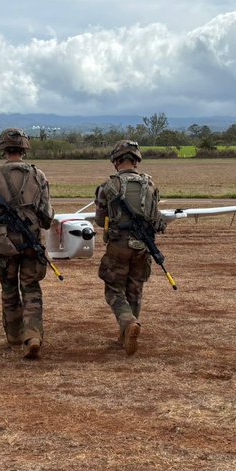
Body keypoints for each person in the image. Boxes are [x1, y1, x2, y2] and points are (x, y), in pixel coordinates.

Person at [0, 128, 54, 359]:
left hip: (4, 244)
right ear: (24, 148)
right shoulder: (38, 175)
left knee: (9, 288)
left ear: (3, 149)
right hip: (31, 243)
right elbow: (46, 215)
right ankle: (32, 335)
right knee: (31, 289)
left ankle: (13, 336)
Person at [94, 140, 165, 355]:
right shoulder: (151, 186)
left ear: (116, 161)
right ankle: (125, 335)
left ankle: (127, 322)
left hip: (119, 245)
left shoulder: (108, 186)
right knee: (135, 289)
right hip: (143, 246)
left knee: (114, 290)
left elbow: (99, 220)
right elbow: (156, 218)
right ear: (136, 160)